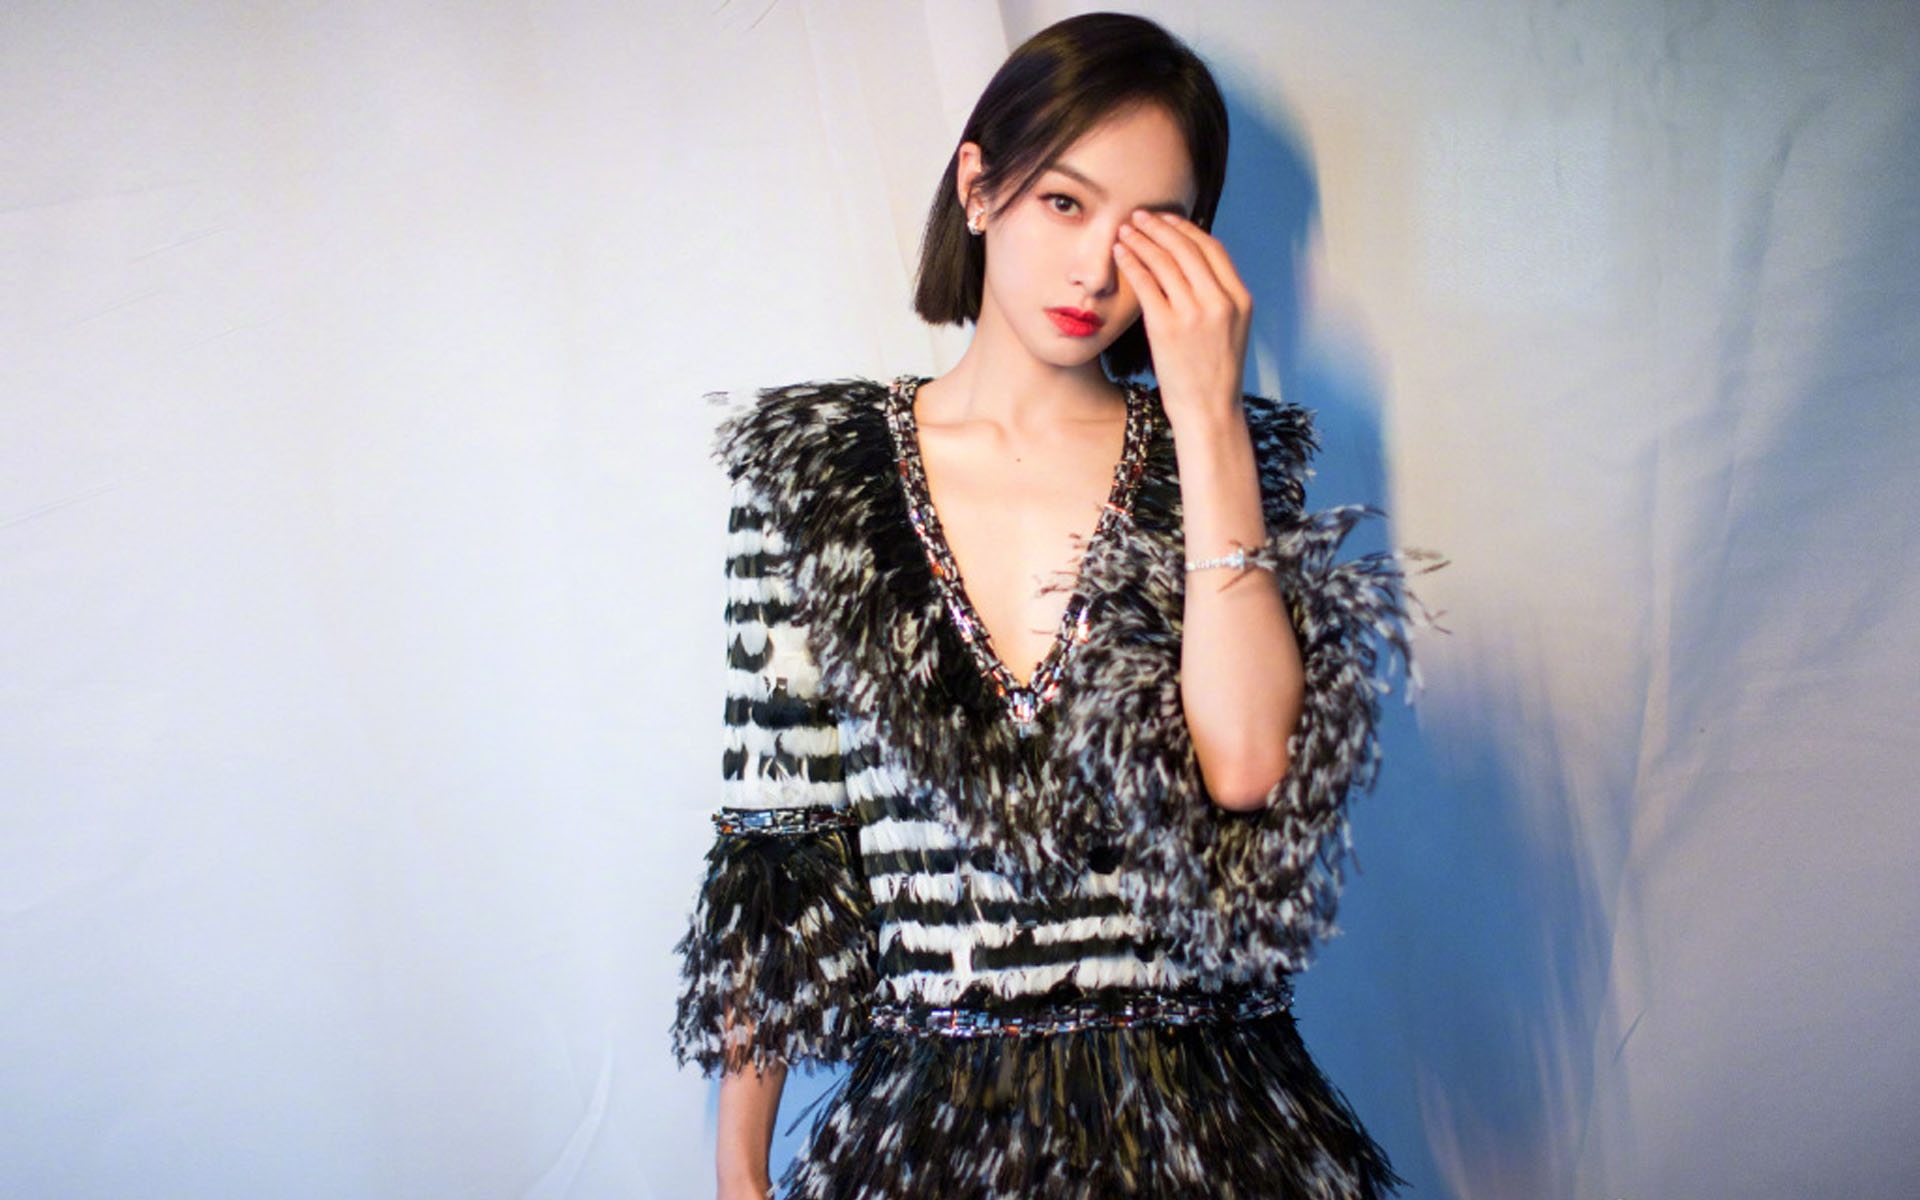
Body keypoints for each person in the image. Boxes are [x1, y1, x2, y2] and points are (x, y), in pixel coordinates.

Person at [672, 12, 1415, 1198]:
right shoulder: (814, 474)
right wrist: (739, 1173)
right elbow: (780, 844)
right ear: (979, 186)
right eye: (1065, 202)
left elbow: (1247, 768)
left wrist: (1210, 418)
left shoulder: (1226, 465)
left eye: (1152, 230)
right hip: (937, 1143)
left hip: (1207, 1138)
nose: (1097, 270)